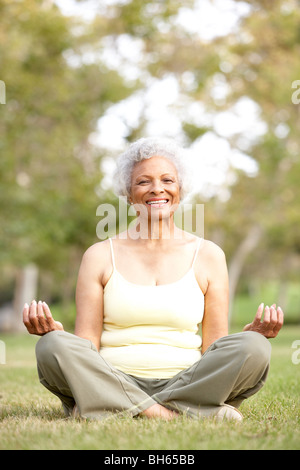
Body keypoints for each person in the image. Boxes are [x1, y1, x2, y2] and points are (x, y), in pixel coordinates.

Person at [23, 137, 284, 422]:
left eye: (167, 180)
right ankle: (175, 413)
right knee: (52, 346)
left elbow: (213, 347)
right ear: (128, 194)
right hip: (113, 376)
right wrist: (61, 336)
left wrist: (244, 338)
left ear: (180, 189)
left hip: (186, 380)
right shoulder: (99, 255)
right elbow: (89, 345)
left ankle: (107, 406)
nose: (157, 189)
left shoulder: (209, 255)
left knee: (255, 347)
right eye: (143, 182)